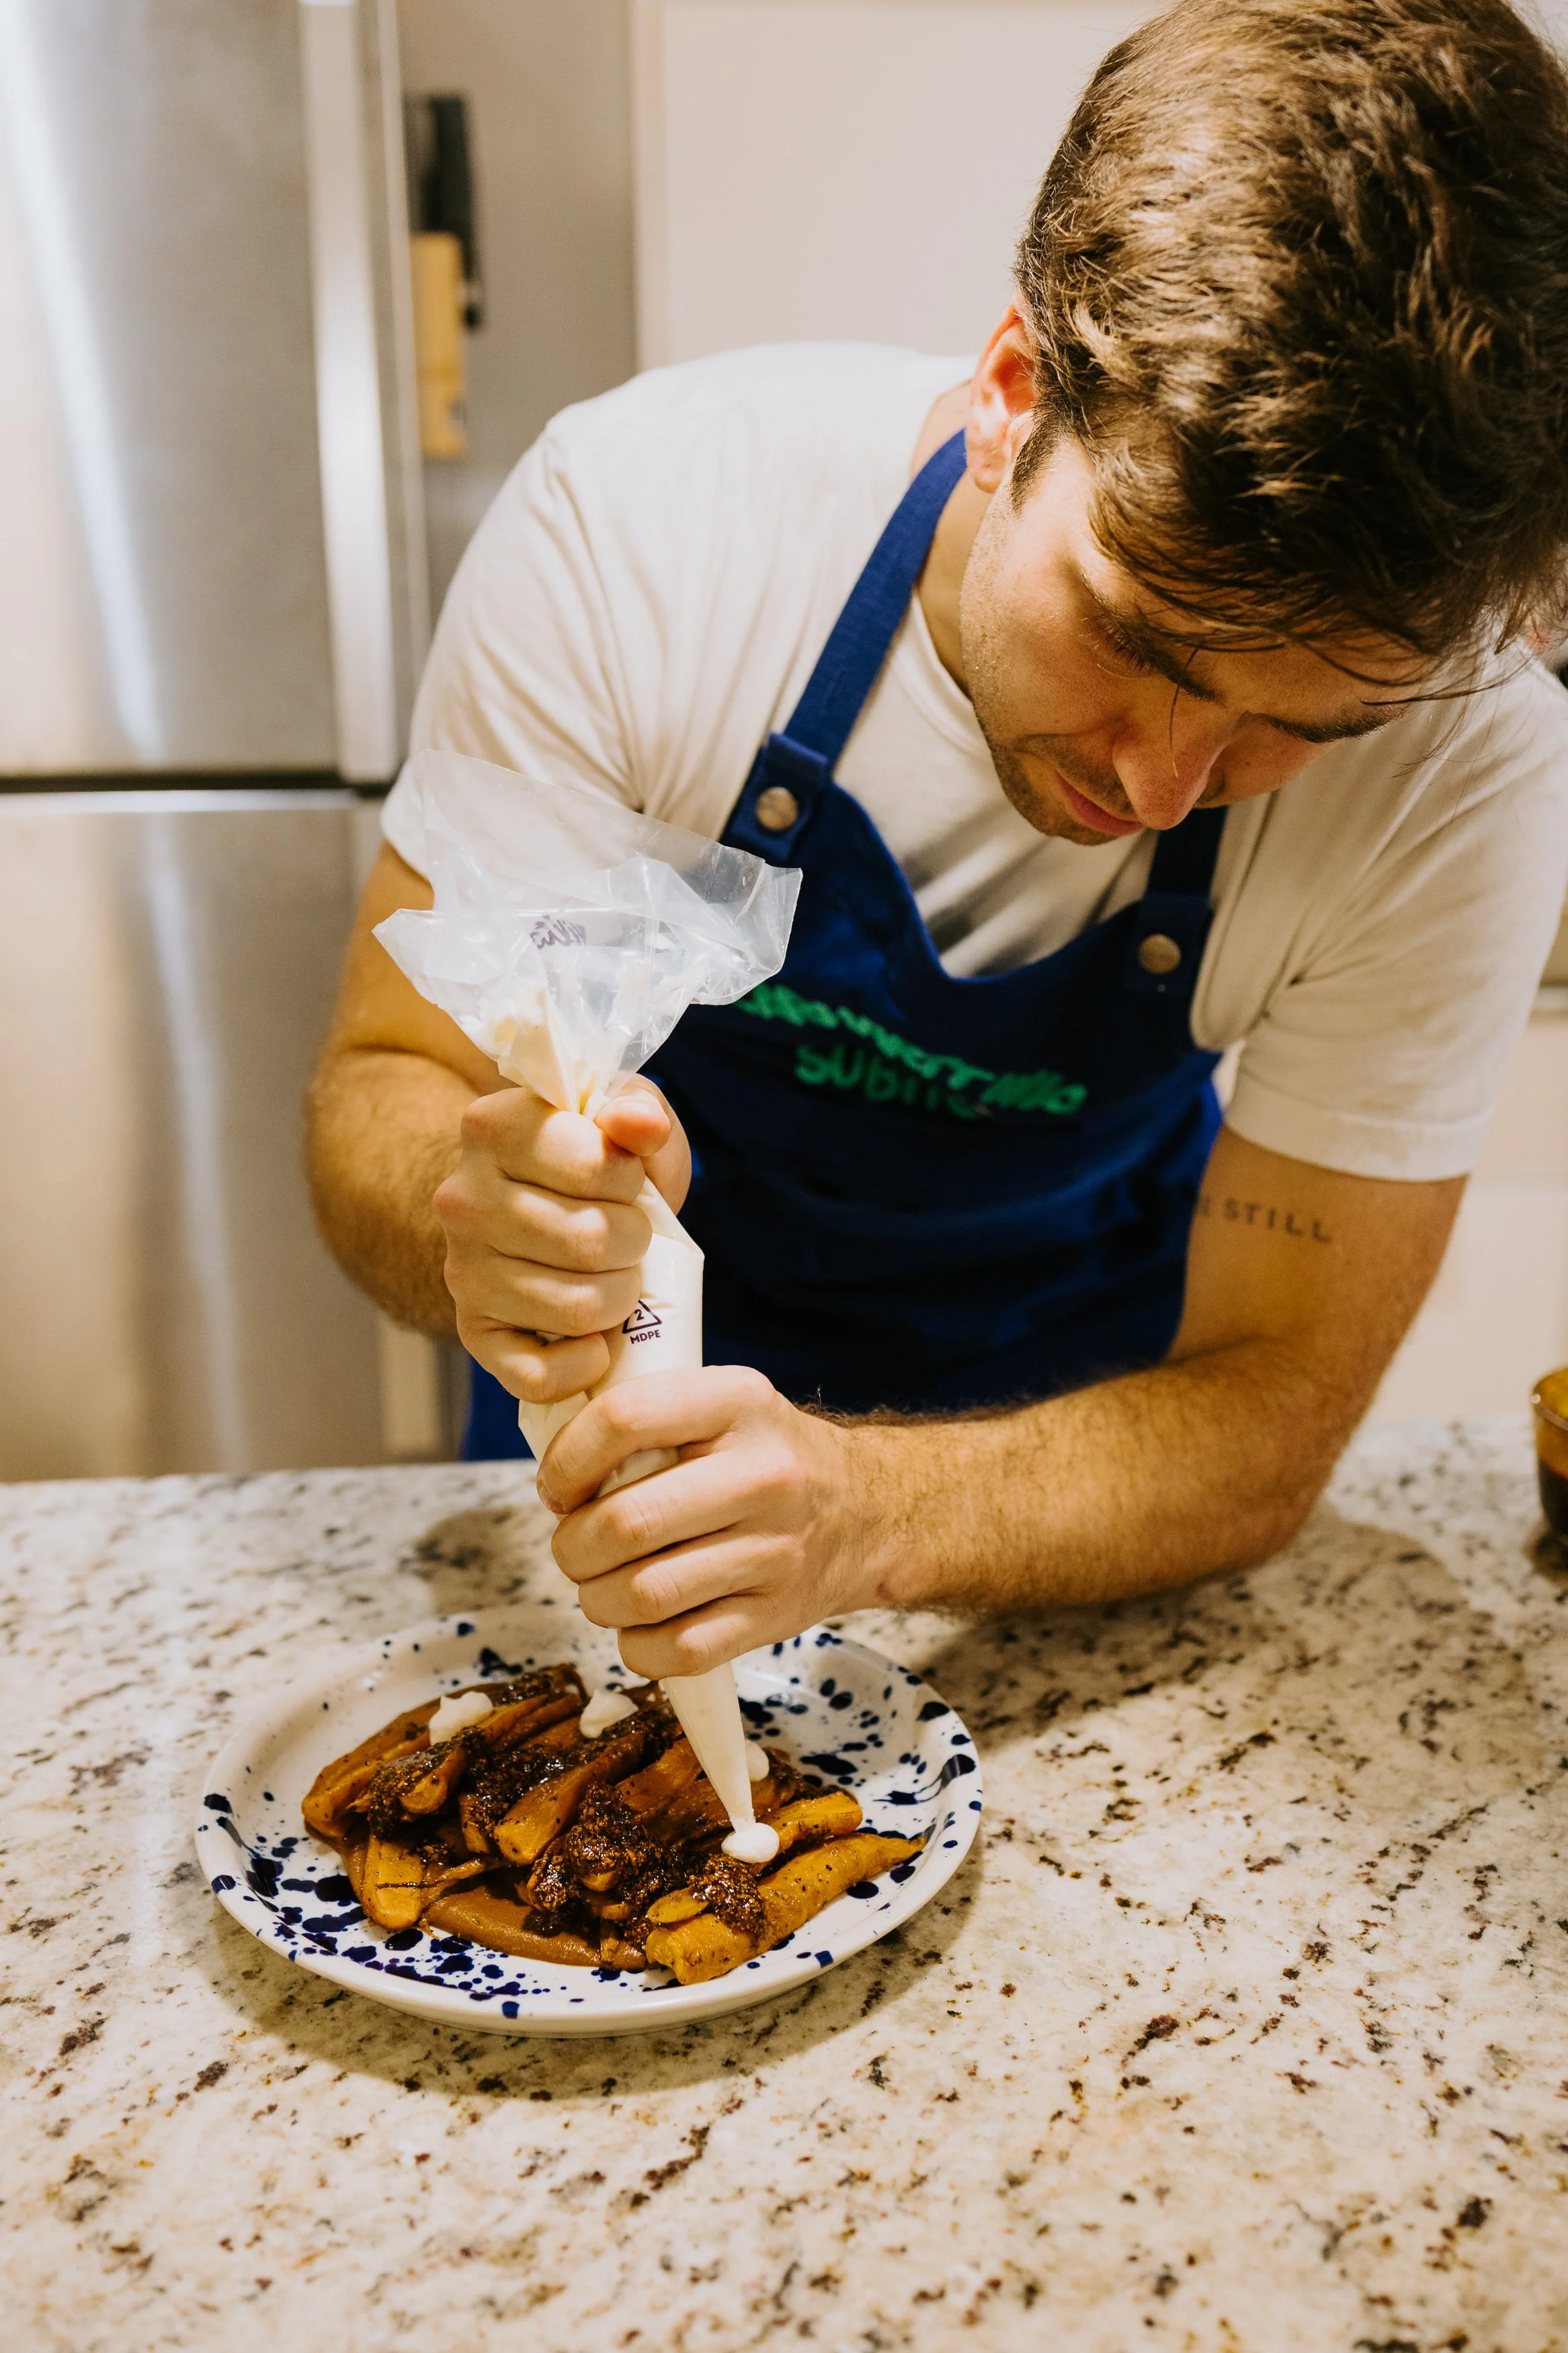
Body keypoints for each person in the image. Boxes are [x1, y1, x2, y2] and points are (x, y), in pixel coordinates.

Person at [310, 0, 1568, 1681]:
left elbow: (1268, 1407)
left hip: (1077, 1493)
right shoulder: (645, 525)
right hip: (593, 1485)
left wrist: (863, 1511)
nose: (1166, 785)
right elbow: (384, 1084)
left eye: (1300, 728)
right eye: (1141, 642)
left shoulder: (1467, 763)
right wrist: (473, 1221)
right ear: (1012, 386)